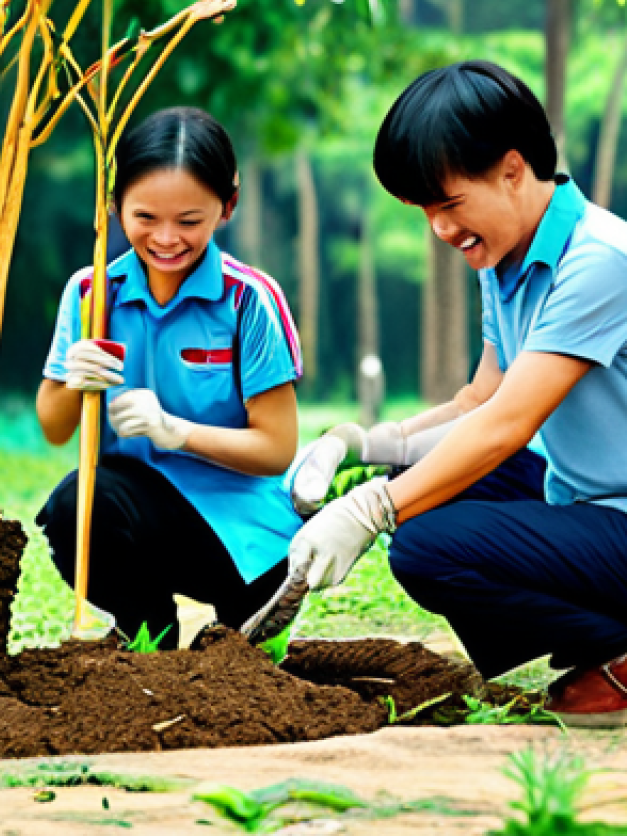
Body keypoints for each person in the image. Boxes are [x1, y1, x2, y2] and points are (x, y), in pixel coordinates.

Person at [254, 60, 627, 727]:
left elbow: (508, 426)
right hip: (587, 503)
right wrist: (364, 445)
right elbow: (478, 403)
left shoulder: (599, 259)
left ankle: (617, 654)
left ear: (513, 170)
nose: (439, 229)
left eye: (448, 204)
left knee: (426, 543)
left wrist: (373, 509)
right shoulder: (506, 256)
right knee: (425, 484)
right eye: (424, 210)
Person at [35, 107, 305, 649]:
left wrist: (176, 432)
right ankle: (147, 635)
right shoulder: (92, 294)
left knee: (243, 651)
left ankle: (244, 631)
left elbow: (277, 448)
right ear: (114, 207)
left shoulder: (248, 299)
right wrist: (73, 379)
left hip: (241, 529)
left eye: (188, 221)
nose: (165, 239)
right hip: (134, 510)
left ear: (226, 206)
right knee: (74, 508)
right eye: (144, 218)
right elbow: (54, 426)